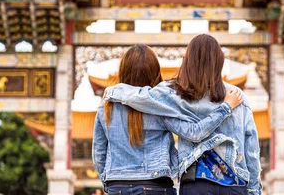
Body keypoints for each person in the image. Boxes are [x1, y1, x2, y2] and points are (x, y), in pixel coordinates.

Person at [105, 34, 262, 195]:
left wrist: (113, 91)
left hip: (196, 183)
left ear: (187, 61)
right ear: (219, 60)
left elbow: (141, 96)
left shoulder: (173, 93)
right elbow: (252, 150)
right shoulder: (237, 96)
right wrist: (254, 189)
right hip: (235, 183)